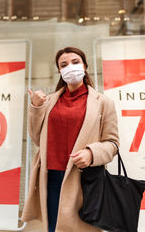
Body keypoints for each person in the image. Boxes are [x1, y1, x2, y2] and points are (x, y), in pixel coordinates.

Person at [21, 47, 119, 232]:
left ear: (85, 65)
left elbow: (112, 143)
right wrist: (35, 106)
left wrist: (92, 153)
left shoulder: (103, 103)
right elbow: (36, 138)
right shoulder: (49, 101)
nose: (70, 68)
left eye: (75, 62)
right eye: (63, 65)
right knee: (53, 227)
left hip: (84, 178)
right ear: (59, 71)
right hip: (51, 176)